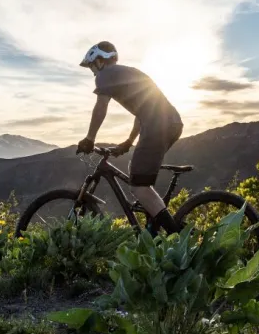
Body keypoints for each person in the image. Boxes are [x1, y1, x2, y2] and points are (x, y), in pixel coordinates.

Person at [77, 42, 184, 233]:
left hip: (158, 125)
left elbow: (101, 107)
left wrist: (89, 138)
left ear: (100, 61)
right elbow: (143, 110)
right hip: (170, 124)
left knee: (139, 187)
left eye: (92, 66)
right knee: (138, 175)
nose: (93, 72)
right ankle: (155, 225)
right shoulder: (127, 73)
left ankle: (175, 235)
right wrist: (128, 142)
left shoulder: (105, 75)